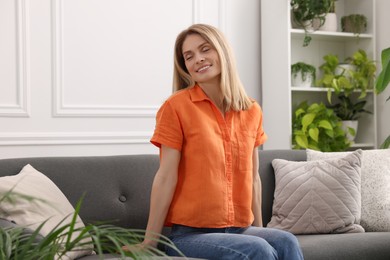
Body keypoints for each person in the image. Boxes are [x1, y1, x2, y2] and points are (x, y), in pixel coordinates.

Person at [125, 23, 304, 260]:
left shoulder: (251, 110)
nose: (198, 59)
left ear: (222, 51)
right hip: (189, 236)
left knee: (285, 240)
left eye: (205, 49)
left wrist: (259, 231)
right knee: (257, 249)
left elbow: (253, 177)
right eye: (189, 56)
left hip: (239, 227)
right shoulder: (175, 107)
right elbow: (166, 177)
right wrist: (150, 242)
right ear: (185, 66)